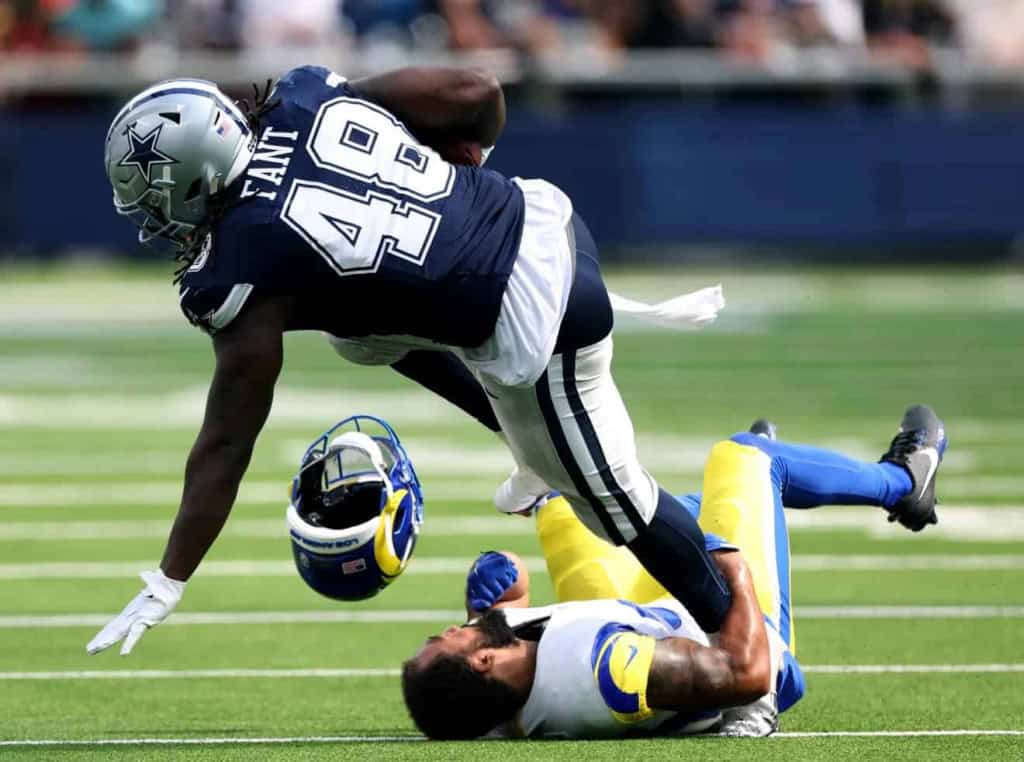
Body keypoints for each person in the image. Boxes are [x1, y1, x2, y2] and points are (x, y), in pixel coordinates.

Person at [86, 64, 934, 657]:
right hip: (536, 217)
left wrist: (170, 577)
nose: (156, 221)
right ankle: (536, 451)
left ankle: (749, 660)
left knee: (619, 509)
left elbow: (229, 435)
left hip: (538, 320)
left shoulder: (241, 265)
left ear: (192, 178)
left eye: (154, 200)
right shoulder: (301, 98)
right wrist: (461, 168)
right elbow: (479, 94)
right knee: (355, 329)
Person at [401, 406, 947, 739]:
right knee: (745, 457)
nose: (453, 627)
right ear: (484, 660)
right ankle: (903, 481)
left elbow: (494, 682)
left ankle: (723, 501)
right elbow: (746, 673)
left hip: (646, 616)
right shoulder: (608, 671)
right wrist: (729, 564)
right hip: (734, 630)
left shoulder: (498, 702)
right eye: (449, 639)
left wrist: (498, 600)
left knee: (563, 502)